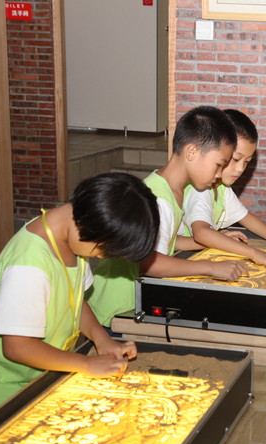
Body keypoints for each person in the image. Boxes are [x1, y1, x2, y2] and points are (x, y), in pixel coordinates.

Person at [0, 173, 160, 427]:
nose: (103, 257)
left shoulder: (72, 240)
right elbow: (17, 346)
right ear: (93, 225)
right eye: (105, 250)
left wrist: (101, 339)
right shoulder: (29, 264)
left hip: (37, 382)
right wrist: (86, 363)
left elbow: (76, 301)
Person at [87, 106, 247, 329]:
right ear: (192, 152)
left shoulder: (174, 190)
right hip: (117, 308)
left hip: (129, 304)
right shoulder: (159, 199)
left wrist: (207, 242)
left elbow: (167, 239)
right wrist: (210, 267)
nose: (219, 174)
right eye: (219, 164)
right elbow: (151, 264)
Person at [180, 109, 266, 268]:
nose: (240, 169)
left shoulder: (222, 188)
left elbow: (246, 218)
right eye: (236, 159)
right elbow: (202, 233)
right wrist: (253, 253)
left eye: (246, 162)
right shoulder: (201, 189)